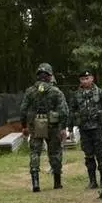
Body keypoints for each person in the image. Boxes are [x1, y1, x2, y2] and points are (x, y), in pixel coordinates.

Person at [19, 62, 68, 192]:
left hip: (36, 125)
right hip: (53, 125)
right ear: (50, 76)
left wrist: (24, 126)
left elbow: (23, 110)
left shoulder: (30, 91)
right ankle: (57, 182)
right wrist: (63, 127)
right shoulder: (56, 92)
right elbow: (64, 111)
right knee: (55, 152)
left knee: (35, 152)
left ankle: (35, 183)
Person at [68, 69, 102, 193]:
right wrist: (70, 128)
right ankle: (92, 181)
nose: (85, 81)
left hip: (97, 128)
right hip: (84, 128)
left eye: (87, 78)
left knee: (101, 154)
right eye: (82, 79)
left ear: (92, 79)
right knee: (88, 155)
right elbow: (71, 111)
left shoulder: (100, 92)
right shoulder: (76, 95)